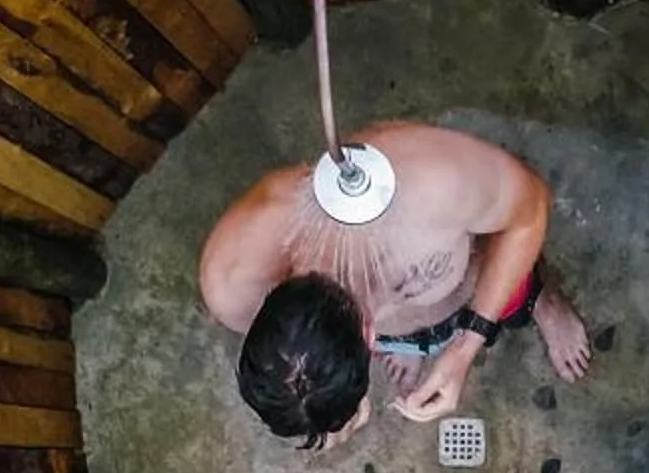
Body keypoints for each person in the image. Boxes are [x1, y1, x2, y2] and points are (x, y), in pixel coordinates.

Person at [198, 121, 595, 449]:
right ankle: (408, 347)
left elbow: (530, 210)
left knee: (514, 282)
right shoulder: (231, 285)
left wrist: (465, 347)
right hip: (396, 327)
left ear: (369, 336)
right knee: (407, 335)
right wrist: (330, 407)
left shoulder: (428, 183)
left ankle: (544, 300)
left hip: (469, 278)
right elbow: (296, 373)